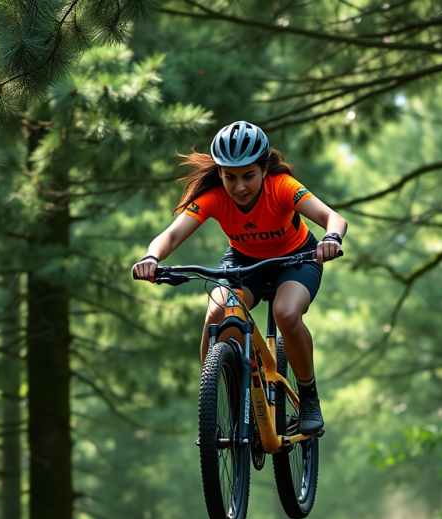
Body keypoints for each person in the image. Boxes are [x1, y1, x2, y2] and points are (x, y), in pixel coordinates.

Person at [132, 120, 347, 435]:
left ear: (263, 169)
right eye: (230, 177)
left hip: (297, 258)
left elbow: (333, 218)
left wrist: (332, 239)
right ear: (219, 173)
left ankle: (309, 398)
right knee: (218, 314)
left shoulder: (283, 186)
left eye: (249, 176)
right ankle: (217, 403)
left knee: (285, 313)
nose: (240, 186)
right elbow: (172, 235)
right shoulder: (214, 197)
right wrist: (151, 258)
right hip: (244, 261)